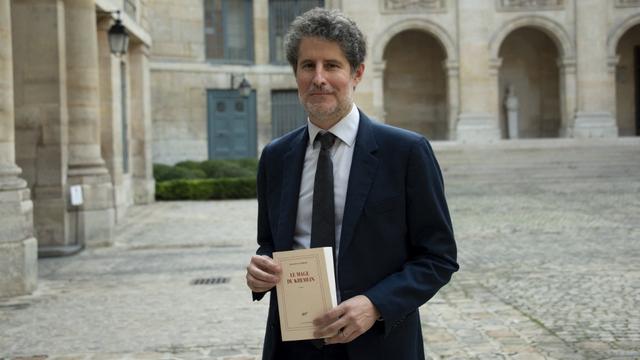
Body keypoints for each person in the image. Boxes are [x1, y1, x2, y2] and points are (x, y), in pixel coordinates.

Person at [245, 8, 458, 360]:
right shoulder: (275, 157)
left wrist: (375, 304)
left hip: (379, 344)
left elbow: (438, 257)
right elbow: (270, 243)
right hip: (294, 347)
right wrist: (260, 269)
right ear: (295, 73)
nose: (318, 78)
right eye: (307, 66)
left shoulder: (405, 152)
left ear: (356, 73)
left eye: (332, 65)